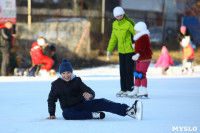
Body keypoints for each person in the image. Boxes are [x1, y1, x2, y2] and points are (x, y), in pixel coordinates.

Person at [47, 58, 143, 120]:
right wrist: (52, 113)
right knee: (66, 114)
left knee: (102, 102)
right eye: (63, 73)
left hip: (83, 104)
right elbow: (51, 99)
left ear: (71, 72)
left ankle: (128, 110)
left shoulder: (77, 80)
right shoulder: (56, 84)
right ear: (60, 74)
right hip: (69, 109)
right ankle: (93, 115)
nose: (66, 75)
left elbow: (89, 90)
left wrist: (90, 95)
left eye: (68, 72)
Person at [106, 6, 136, 97]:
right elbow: (113, 38)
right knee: (122, 70)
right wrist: (109, 50)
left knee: (129, 70)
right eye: (117, 16)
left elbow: (136, 34)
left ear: (123, 14)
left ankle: (130, 88)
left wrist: (135, 44)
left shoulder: (128, 23)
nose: (119, 17)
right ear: (115, 16)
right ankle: (123, 89)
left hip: (130, 50)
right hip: (121, 51)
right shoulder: (115, 24)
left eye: (121, 15)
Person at [127, 21, 152, 98]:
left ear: (140, 30)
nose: (135, 31)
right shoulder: (139, 37)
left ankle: (144, 90)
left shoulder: (144, 36)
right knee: (137, 74)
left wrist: (138, 54)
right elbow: (139, 47)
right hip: (140, 59)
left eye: (136, 30)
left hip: (144, 59)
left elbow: (143, 48)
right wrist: (135, 47)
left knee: (141, 74)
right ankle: (136, 89)